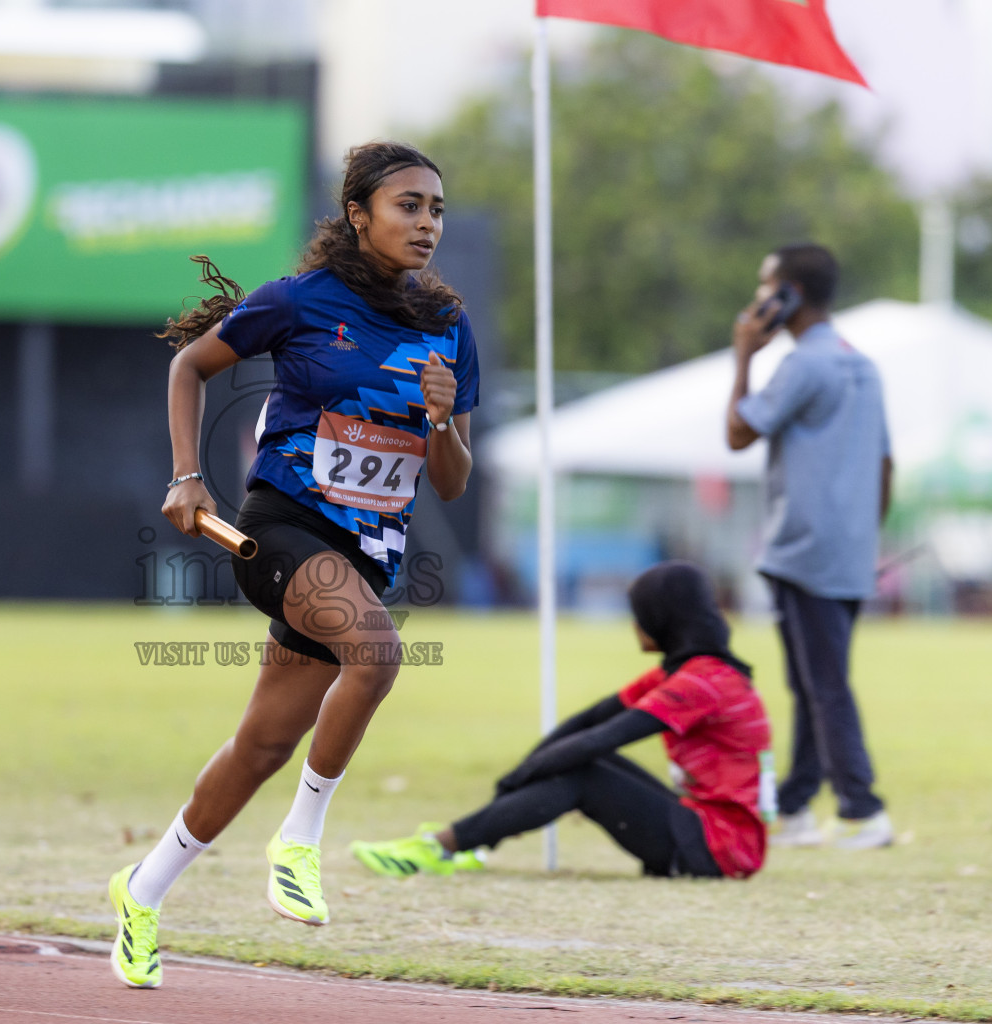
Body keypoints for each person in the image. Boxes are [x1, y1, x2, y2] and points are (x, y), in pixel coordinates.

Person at [106, 142, 480, 989]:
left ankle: (142, 889)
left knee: (263, 744)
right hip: (279, 531)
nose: (427, 224)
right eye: (408, 206)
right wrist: (185, 473)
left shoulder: (448, 327)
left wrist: (444, 420)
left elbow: (453, 484)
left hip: (366, 556)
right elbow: (188, 365)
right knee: (377, 654)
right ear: (359, 214)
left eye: (437, 210)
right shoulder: (303, 301)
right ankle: (301, 840)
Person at [350, 561, 772, 881]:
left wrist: (520, 778)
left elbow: (602, 739)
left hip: (721, 849)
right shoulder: (687, 673)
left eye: (639, 613)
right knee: (582, 764)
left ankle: (438, 848)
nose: (634, 624)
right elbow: (589, 720)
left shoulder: (704, 682)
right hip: (708, 828)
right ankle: (470, 842)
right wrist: (515, 780)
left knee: (584, 774)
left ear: (664, 618)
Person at [726, 243, 894, 851]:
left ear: (789, 294)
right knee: (813, 681)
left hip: (802, 548)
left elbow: (738, 432)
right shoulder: (862, 364)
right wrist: (865, 540)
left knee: (824, 685)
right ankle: (796, 805)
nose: (757, 300)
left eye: (764, 286)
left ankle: (862, 809)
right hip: (849, 551)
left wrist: (744, 355)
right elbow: (886, 464)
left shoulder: (801, 367)